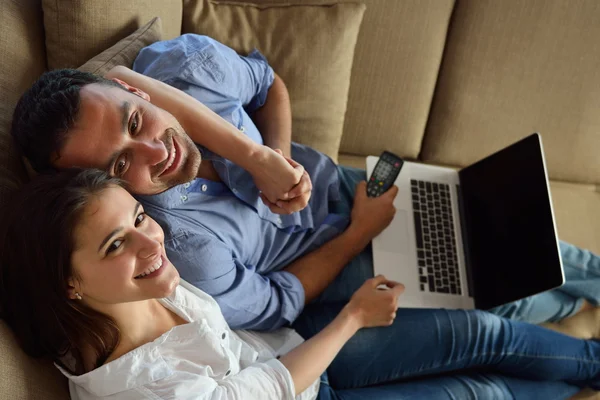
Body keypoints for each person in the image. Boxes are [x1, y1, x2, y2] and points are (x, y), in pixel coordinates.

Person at [10, 35, 600, 334]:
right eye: (118, 167)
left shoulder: (187, 65)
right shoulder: (174, 246)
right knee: (504, 287)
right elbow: (276, 304)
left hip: (337, 184)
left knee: (499, 211)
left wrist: (276, 159)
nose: (153, 153)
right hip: (323, 267)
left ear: (138, 89)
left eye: (135, 122)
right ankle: (573, 301)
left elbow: (268, 85)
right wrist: (356, 236)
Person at [1, 168, 600, 400]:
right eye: (115, 245)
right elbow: (264, 390)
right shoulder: (141, 390)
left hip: (293, 346)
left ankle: (590, 359)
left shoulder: (146, 281)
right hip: (296, 387)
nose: (149, 241)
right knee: (482, 393)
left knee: (480, 330)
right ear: (68, 285)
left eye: (137, 217)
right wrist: (353, 319)